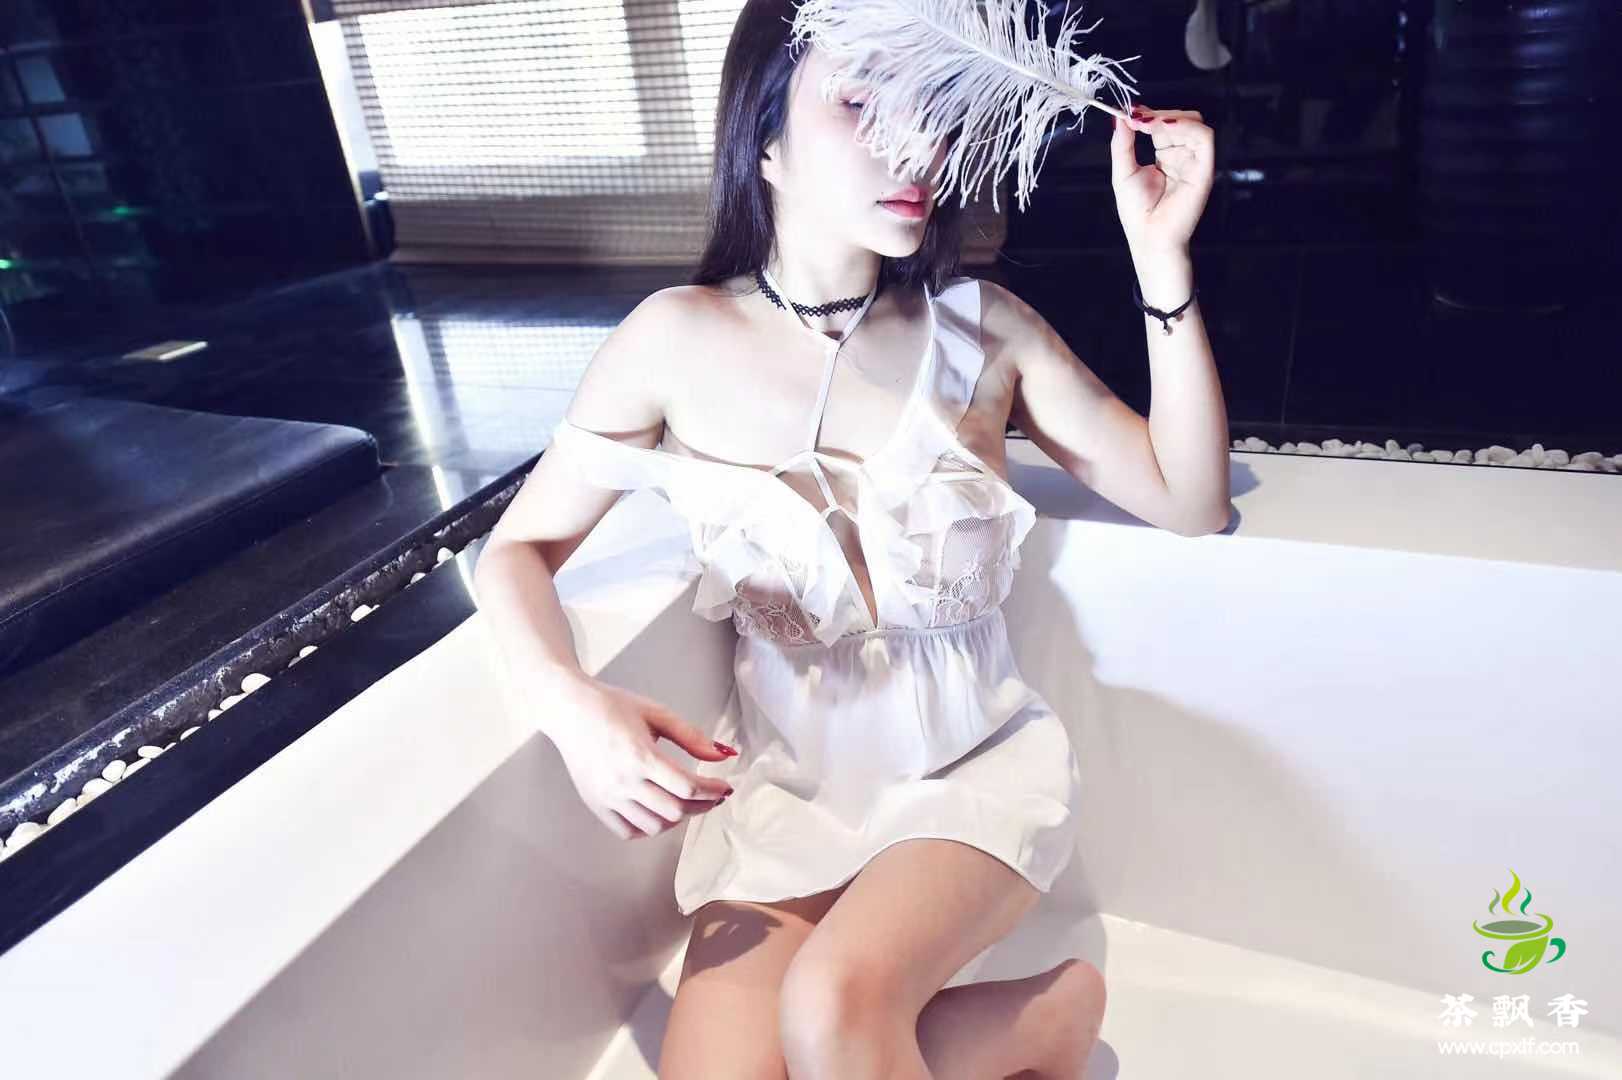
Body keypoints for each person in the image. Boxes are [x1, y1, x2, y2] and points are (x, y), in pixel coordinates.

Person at [473, 2, 1226, 1076]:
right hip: (787, 800)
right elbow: (515, 552)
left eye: (928, 110)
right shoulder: (673, 340)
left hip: (968, 774)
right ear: (764, 140)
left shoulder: (982, 329)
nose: (912, 145)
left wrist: (1160, 261)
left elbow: (1189, 499)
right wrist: (572, 709)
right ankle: (1042, 1020)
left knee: (831, 1007)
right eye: (861, 105)